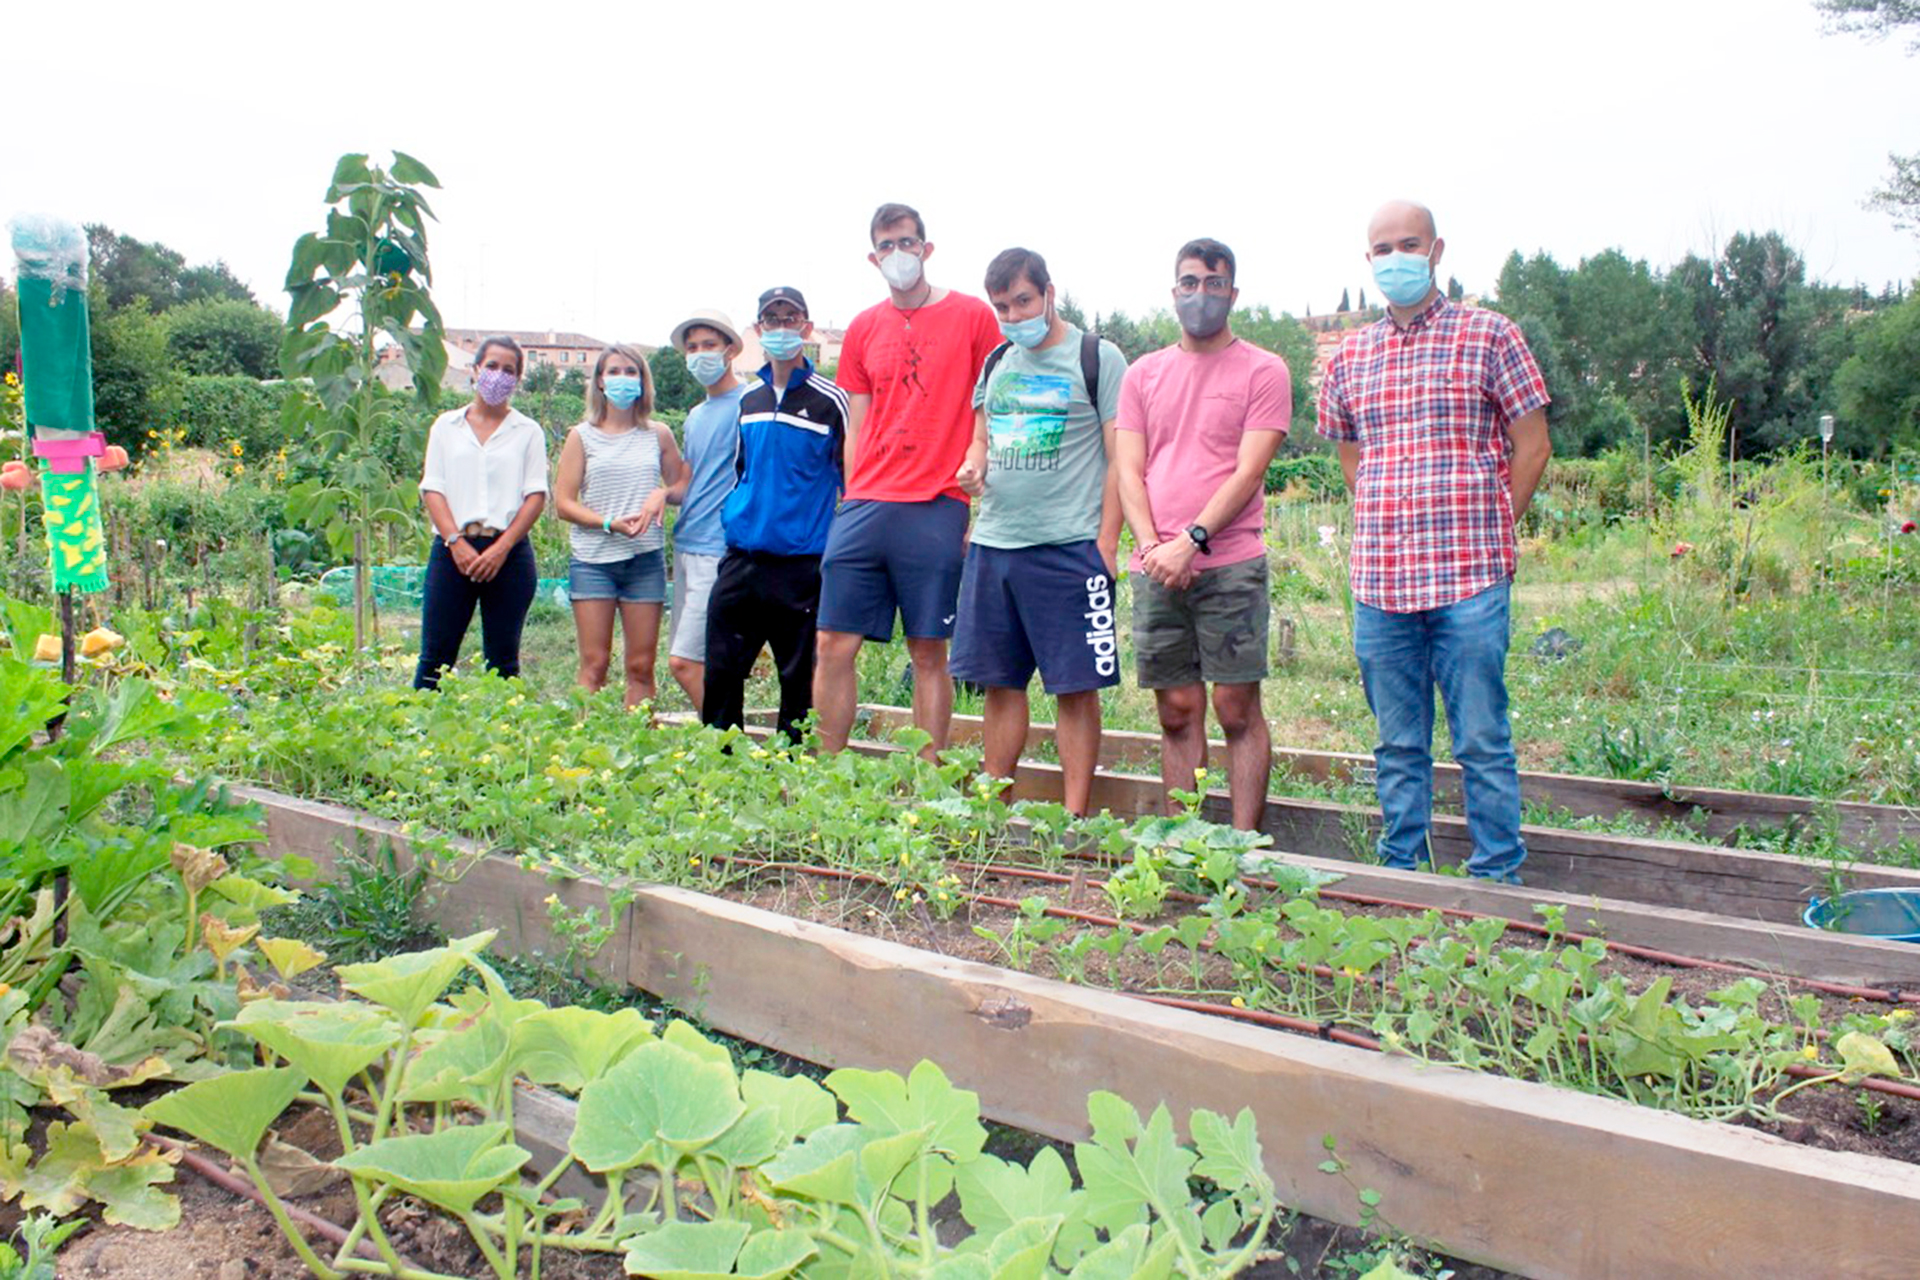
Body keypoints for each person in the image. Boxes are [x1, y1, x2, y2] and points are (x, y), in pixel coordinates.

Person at [1317, 200, 1552, 884]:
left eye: (1408, 244)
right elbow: (1350, 452)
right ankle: (1402, 874)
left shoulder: (1491, 335)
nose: (1396, 258)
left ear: (1437, 250)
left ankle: (1497, 874)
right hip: (1382, 582)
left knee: (1481, 736)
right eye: (1383, 248)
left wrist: (1492, 521)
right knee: (1397, 742)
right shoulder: (1352, 354)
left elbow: (1532, 445)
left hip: (1469, 576)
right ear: (1369, 260)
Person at [1114, 238, 1291, 831]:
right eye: (1190, 283)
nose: (1201, 295)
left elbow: (1249, 469)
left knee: (1236, 708)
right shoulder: (1144, 374)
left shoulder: (1264, 370)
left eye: (1214, 284)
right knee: (1176, 709)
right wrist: (1152, 547)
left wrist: (1190, 540)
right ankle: (1185, 840)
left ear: (1233, 294)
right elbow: (1128, 469)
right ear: (1174, 292)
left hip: (1230, 563)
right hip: (1157, 564)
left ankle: (1242, 845)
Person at [816, 202, 1002, 756]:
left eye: (908, 242)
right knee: (832, 642)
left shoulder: (972, 316)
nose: (899, 254)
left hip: (937, 500)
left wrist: (978, 460)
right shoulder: (863, 328)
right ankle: (825, 773)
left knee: (927, 651)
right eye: (888, 245)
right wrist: (851, 495)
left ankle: (928, 776)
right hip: (868, 501)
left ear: (927, 249)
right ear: (874, 258)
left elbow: (989, 400)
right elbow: (859, 417)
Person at [953, 248, 1127, 816]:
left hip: (1068, 548)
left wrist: (1106, 544)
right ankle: (993, 810)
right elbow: (980, 437)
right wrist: (973, 467)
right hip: (995, 544)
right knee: (1001, 685)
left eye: (1022, 301)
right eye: (1002, 307)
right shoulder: (997, 362)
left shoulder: (1097, 358)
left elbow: (1119, 460)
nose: (1013, 315)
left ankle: (1075, 818)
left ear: (1049, 293)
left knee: (1074, 689)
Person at [702, 287, 847, 741]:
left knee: (797, 679)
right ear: (759, 329)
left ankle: (791, 776)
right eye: (772, 319)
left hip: (801, 564)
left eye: (790, 319)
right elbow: (743, 471)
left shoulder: (832, 400)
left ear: (806, 327)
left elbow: (851, 479)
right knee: (722, 670)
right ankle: (720, 765)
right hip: (741, 558)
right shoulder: (750, 401)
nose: (781, 327)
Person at [551, 344, 686, 707]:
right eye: (614, 371)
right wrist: (608, 523)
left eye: (631, 372)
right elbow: (563, 503)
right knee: (594, 664)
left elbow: (682, 486)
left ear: (643, 381)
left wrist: (663, 492)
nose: (622, 379)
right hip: (594, 562)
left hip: (644, 561)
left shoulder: (658, 434)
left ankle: (638, 751)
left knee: (641, 666)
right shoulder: (581, 436)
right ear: (599, 381)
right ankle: (584, 748)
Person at [414, 335, 549, 690]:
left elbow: (535, 496)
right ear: (475, 370)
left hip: (509, 556)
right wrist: (455, 541)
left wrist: (501, 548)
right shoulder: (447, 426)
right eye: (491, 366)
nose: (498, 375)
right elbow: (433, 488)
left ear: (517, 380)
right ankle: (418, 736)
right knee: (435, 658)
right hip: (451, 552)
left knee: (503, 662)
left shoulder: (527, 431)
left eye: (509, 370)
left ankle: (502, 738)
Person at [665, 309, 748, 714]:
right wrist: (656, 495)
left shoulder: (750, 403)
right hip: (686, 542)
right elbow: (688, 481)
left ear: (729, 350)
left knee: (685, 662)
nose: (700, 355)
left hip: (719, 547)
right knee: (702, 661)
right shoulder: (696, 415)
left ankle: (730, 747)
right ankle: (718, 750)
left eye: (709, 346)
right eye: (692, 347)